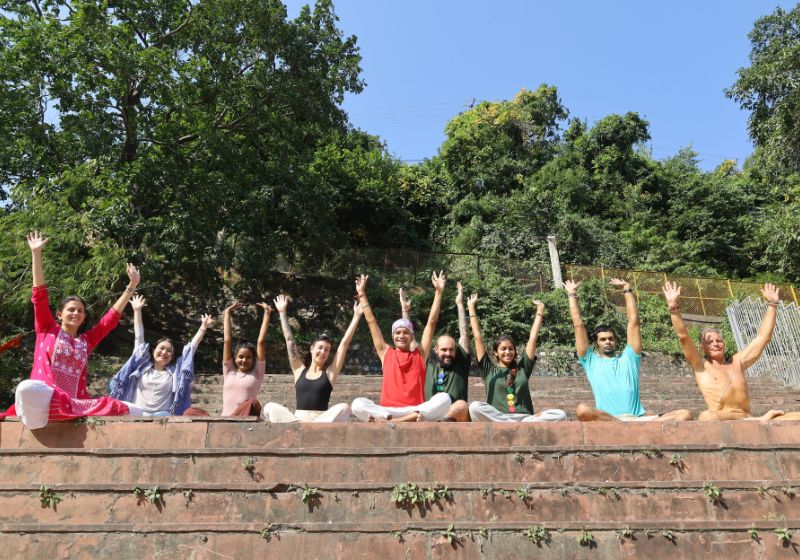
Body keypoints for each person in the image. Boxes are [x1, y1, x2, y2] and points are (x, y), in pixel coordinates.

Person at [1, 232, 143, 429]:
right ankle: (42, 414)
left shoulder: (85, 342)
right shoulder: (47, 329)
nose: (76, 313)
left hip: (73, 405)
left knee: (133, 410)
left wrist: (131, 286)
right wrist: (36, 253)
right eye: (71, 310)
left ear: (84, 317)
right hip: (45, 399)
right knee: (27, 388)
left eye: (80, 311)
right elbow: (39, 296)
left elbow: (109, 321)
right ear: (59, 314)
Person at [663, 281, 800, 421]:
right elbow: (683, 336)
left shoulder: (737, 362)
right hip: (721, 418)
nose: (715, 344)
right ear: (702, 348)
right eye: (710, 342)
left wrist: (772, 305)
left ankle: (755, 420)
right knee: (706, 416)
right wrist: (673, 307)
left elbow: (763, 338)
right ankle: (757, 420)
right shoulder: (701, 365)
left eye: (719, 341)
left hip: (748, 418)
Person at [566, 278, 692, 422]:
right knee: (582, 410)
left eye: (610, 338)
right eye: (603, 339)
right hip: (609, 420)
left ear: (615, 340)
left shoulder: (629, 357)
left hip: (637, 420)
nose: (607, 342)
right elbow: (578, 325)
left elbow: (634, 322)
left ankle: (630, 428)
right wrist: (572, 295)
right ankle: (622, 426)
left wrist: (627, 289)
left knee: (684, 414)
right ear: (596, 343)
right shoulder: (590, 361)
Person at [351, 272, 451, 422]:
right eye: (397, 333)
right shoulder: (386, 352)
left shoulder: (420, 354)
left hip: (415, 409)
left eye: (406, 332)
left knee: (445, 398)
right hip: (388, 410)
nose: (401, 336)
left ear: (411, 336)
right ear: (393, 337)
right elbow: (371, 322)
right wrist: (361, 293)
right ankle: (393, 419)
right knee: (357, 404)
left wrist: (438, 292)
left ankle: (393, 422)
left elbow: (431, 322)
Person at [467, 293, 566, 423]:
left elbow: (533, 337)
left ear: (515, 351)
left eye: (511, 349)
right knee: (474, 407)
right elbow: (477, 337)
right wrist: (471, 308)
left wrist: (540, 311)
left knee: (560, 414)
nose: (507, 352)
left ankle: (515, 424)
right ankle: (512, 425)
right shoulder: (489, 370)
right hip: (499, 417)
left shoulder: (522, 369)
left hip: (525, 418)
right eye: (503, 349)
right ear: (495, 352)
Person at [262, 294, 362, 423]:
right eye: (320, 348)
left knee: (344, 407)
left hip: (320, 421)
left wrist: (356, 316)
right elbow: (289, 340)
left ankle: (312, 429)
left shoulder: (330, 374)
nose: (323, 352)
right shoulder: (299, 370)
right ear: (312, 349)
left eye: (327, 349)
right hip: (297, 421)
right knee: (269, 407)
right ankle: (300, 427)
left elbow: (344, 344)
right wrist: (282, 313)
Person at [108, 295, 214, 416]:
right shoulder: (141, 368)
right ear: (154, 350)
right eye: (161, 348)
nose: (164, 352)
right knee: (114, 386)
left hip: (162, 415)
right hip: (138, 413)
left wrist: (203, 327)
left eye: (169, 351)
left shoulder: (174, 373)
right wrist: (137, 311)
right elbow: (139, 337)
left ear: (172, 356)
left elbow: (190, 350)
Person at [184, 300, 270, 417]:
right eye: (241, 357)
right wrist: (227, 313)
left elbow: (261, 342)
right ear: (235, 358)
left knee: (253, 403)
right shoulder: (229, 371)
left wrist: (267, 313)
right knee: (190, 412)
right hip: (224, 420)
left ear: (254, 359)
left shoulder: (256, 373)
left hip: (242, 419)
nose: (244, 360)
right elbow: (227, 341)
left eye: (248, 357)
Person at [401, 282, 470, 422]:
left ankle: (440, 421)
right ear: (436, 350)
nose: (448, 353)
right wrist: (405, 311)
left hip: (454, 418)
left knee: (462, 405)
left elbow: (464, 335)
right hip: (428, 415)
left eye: (451, 350)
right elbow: (411, 341)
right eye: (444, 350)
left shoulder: (461, 363)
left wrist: (459, 304)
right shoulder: (427, 364)